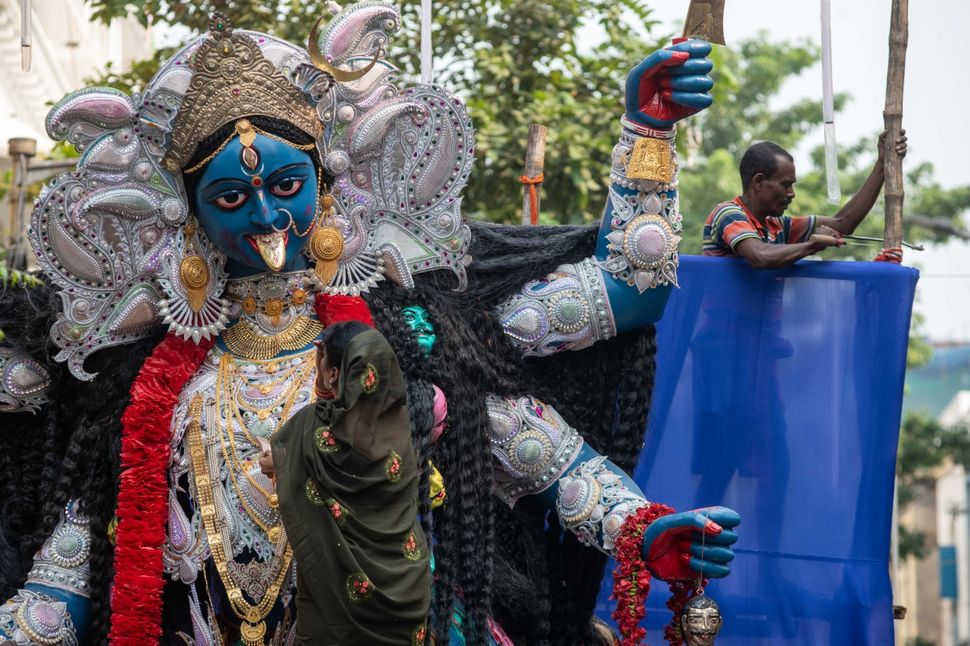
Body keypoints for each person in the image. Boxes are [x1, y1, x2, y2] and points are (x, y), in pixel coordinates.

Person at [0, 5, 740, 645]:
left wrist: (640, 529)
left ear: (325, 187)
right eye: (229, 197)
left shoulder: (418, 335)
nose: (263, 216)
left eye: (285, 185)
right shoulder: (152, 381)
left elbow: (617, 308)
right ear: (191, 219)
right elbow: (69, 570)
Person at [259, 322, 430, 645]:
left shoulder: (312, 426)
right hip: (406, 591)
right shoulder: (400, 425)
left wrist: (325, 384)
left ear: (335, 372)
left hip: (336, 604)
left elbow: (273, 460)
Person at [702, 133, 908, 268]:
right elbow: (760, 255)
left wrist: (882, 164)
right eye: (785, 185)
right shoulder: (728, 213)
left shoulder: (777, 226)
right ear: (758, 182)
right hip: (725, 331)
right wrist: (813, 245)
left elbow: (843, 223)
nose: (791, 193)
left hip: (765, 331)